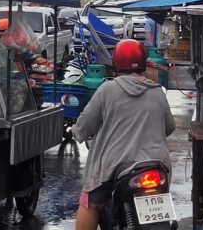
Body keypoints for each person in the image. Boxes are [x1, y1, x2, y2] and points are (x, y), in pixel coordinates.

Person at [72, 39, 176, 230]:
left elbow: (84, 125)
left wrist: (77, 132)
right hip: (156, 166)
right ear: (144, 63)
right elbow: (169, 127)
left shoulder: (107, 89)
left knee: (90, 202)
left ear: (116, 64)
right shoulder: (157, 92)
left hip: (115, 166)